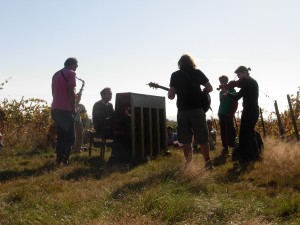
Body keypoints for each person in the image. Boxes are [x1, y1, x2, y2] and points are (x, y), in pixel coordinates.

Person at [168, 54, 213, 169]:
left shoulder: (175, 75)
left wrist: (173, 91)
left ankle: (188, 164)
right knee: (202, 137)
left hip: (183, 111)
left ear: (180, 64)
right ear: (192, 62)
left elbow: (171, 96)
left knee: (186, 139)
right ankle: (207, 162)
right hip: (197, 109)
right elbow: (210, 88)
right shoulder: (197, 72)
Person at [221, 66, 260, 163]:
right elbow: (239, 89)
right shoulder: (251, 82)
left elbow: (237, 97)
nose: (237, 77)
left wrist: (227, 92)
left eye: (238, 75)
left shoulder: (248, 82)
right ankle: (254, 156)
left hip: (250, 111)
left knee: (244, 134)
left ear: (244, 72)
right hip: (252, 110)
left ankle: (247, 157)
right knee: (249, 133)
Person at [51, 57, 78, 166]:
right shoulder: (71, 73)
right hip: (66, 110)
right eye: (76, 65)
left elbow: (56, 92)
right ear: (73, 64)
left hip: (55, 110)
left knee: (61, 136)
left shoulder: (56, 74)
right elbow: (70, 91)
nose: (77, 68)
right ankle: (64, 160)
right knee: (70, 137)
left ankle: (58, 159)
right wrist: (74, 107)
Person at [218, 75, 238, 155]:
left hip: (228, 114)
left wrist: (231, 113)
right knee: (223, 132)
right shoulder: (221, 92)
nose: (222, 83)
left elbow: (235, 103)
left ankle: (235, 148)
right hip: (221, 114)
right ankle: (225, 148)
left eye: (223, 81)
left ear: (227, 81)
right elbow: (222, 103)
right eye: (221, 81)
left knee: (231, 131)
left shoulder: (232, 90)